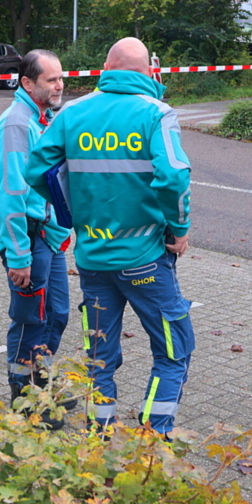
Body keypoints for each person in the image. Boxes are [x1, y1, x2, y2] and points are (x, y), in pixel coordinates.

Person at [25, 37, 193, 436]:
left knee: (99, 356)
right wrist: (179, 229)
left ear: (106, 66)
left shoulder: (72, 113)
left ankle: (99, 439)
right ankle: (154, 437)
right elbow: (173, 177)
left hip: (93, 259)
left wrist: (70, 211)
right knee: (174, 350)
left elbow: (36, 171)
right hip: (146, 258)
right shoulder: (157, 113)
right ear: (148, 72)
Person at [0, 49, 73, 426]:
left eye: (60, 78)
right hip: (28, 241)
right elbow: (9, 195)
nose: (59, 85)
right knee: (29, 321)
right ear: (27, 83)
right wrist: (18, 255)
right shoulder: (16, 126)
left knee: (58, 314)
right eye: (51, 80)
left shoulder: (43, 117)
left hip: (47, 238)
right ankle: (24, 401)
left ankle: (41, 384)